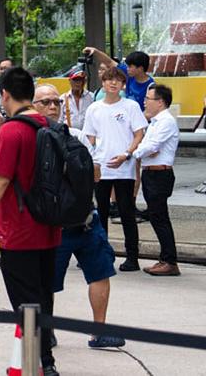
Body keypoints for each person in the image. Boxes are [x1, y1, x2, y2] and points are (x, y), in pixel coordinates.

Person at [0, 67, 62, 376]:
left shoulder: (12, 130)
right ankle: (46, 360)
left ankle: (35, 365)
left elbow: (1, 179)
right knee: (43, 297)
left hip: (19, 231)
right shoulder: (51, 125)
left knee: (25, 303)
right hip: (50, 226)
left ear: (4, 95)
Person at [32, 85, 126, 350]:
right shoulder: (31, 139)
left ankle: (99, 332)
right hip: (53, 226)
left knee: (100, 273)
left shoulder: (76, 136)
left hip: (86, 221)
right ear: (33, 105)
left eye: (56, 102)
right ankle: (47, 332)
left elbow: (95, 173)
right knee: (47, 284)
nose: (52, 107)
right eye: (45, 102)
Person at [82, 67, 147, 271]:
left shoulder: (131, 106)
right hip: (101, 167)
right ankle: (102, 254)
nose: (113, 83)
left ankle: (132, 257)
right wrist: (93, 160)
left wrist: (127, 154)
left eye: (117, 80)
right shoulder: (94, 108)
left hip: (124, 167)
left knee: (126, 212)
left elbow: (139, 134)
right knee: (100, 213)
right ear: (103, 83)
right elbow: (89, 137)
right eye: (109, 80)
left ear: (123, 85)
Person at [135, 83, 180, 275]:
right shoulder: (154, 122)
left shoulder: (166, 121)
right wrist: (144, 151)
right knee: (155, 217)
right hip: (151, 173)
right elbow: (146, 146)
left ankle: (170, 261)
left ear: (160, 102)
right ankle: (165, 258)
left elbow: (150, 146)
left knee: (160, 217)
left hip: (160, 174)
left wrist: (134, 154)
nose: (145, 102)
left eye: (148, 99)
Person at [83, 47, 155, 109]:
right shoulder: (130, 75)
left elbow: (150, 110)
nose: (127, 69)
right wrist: (95, 51)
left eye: (130, 67)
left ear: (140, 68)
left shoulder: (150, 86)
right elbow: (109, 62)